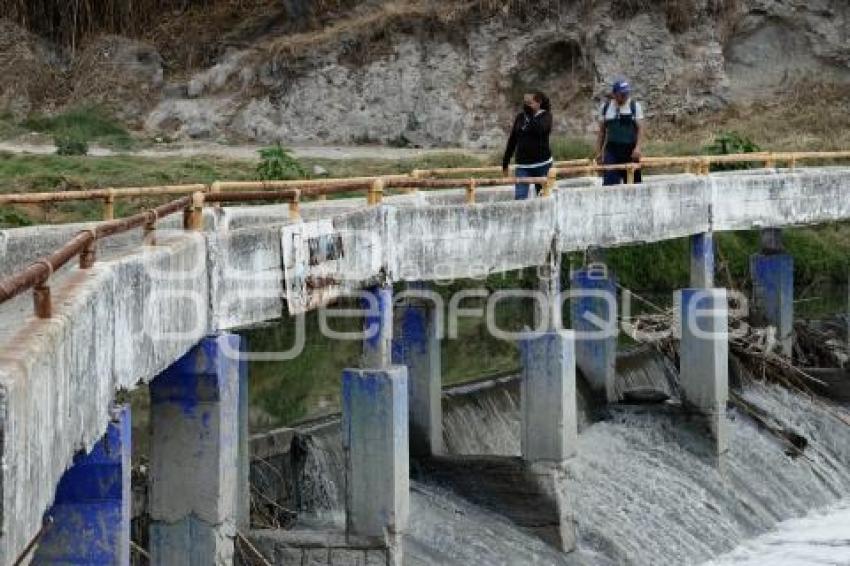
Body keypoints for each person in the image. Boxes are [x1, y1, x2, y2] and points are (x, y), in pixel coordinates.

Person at [502, 91, 553, 200]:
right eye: (525, 103)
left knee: (544, 198)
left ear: (538, 102)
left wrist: (531, 117)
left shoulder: (546, 116)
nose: (526, 106)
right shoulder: (520, 117)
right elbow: (513, 140)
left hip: (542, 165)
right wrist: (505, 161)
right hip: (523, 166)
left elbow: (540, 130)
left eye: (529, 103)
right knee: (520, 198)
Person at [594, 79, 645, 185]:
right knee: (609, 183)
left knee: (634, 184)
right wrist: (599, 152)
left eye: (626, 93)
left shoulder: (634, 106)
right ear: (614, 94)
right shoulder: (606, 107)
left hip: (630, 151)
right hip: (612, 150)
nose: (625, 96)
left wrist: (638, 147)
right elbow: (602, 132)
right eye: (622, 94)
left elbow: (640, 129)